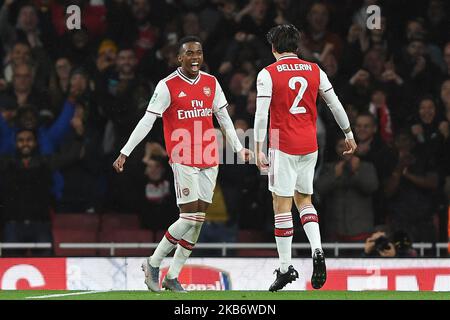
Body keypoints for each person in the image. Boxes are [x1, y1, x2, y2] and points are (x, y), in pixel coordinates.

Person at [112, 36, 252, 292]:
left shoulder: (211, 83)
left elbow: (224, 118)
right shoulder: (167, 86)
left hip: (209, 158)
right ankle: (153, 263)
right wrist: (126, 151)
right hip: (183, 158)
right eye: (189, 53)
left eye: (198, 52)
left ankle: (172, 276)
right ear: (179, 58)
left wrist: (239, 148)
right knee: (187, 217)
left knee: (198, 221)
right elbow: (147, 120)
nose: (195, 57)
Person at [253, 24, 357, 291]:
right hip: (310, 145)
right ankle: (318, 249)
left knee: (281, 203)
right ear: (296, 47)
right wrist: (348, 133)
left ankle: (286, 268)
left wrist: (257, 147)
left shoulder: (268, 73)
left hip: (282, 145)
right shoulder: (314, 69)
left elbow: (262, 114)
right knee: (304, 199)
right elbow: (335, 104)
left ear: (274, 48)